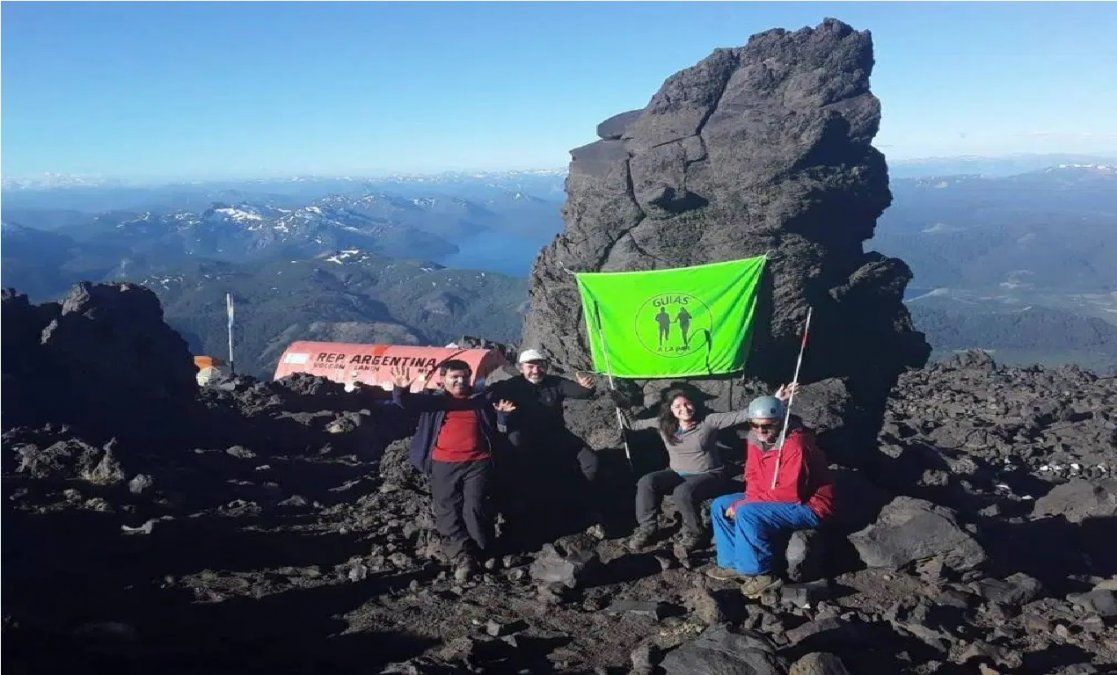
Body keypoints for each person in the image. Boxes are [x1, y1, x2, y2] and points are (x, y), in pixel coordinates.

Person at [623, 385, 795, 551]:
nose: (684, 408)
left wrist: (775, 400)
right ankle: (647, 528)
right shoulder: (663, 424)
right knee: (646, 481)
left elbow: (742, 415)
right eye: (678, 406)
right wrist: (622, 405)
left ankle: (694, 533)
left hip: (709, 474)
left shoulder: (708, 421)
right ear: (671, 410)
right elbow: (633, 424)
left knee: (682, 492)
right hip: (676, 472)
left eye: (687, 403)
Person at [390, 361, 515, 576]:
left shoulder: (481, 401)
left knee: (475, 508)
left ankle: (482, 551)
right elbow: (407, 403)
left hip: (479, 462)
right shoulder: (435, 402)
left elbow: (498, 427)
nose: (460, 381)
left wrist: (503, 417)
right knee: (447, 509)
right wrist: (400, 389)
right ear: (443, 379)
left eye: (464, 377)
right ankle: (463, 553)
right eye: (454, 377)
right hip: (443, 463)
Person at [707, 393, 835, 598]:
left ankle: (761, 573)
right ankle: (732, 564)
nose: (760, 431)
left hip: (809, 505)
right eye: (754, 425)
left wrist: (746, 505)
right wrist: (748, 499)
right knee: (720, 505)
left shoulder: (796, 446)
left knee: (748, 512)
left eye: (767, 426)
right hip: (771, 495)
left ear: (781, 422)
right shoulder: (755, 439)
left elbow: (789, 493)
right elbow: (753, 477)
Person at [487, 348, 601, 543]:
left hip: (554, 434)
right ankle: (525, 518)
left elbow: (579, 392)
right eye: (530, 366)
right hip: (522, 438)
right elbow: (491, 403)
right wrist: (502, 413)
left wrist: (587, 387)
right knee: (525, 472)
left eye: (540, 365)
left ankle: (581, 504)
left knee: (591, 462)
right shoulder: (509, 386)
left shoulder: (554, 383)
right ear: (521, 368)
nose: (536, 370)